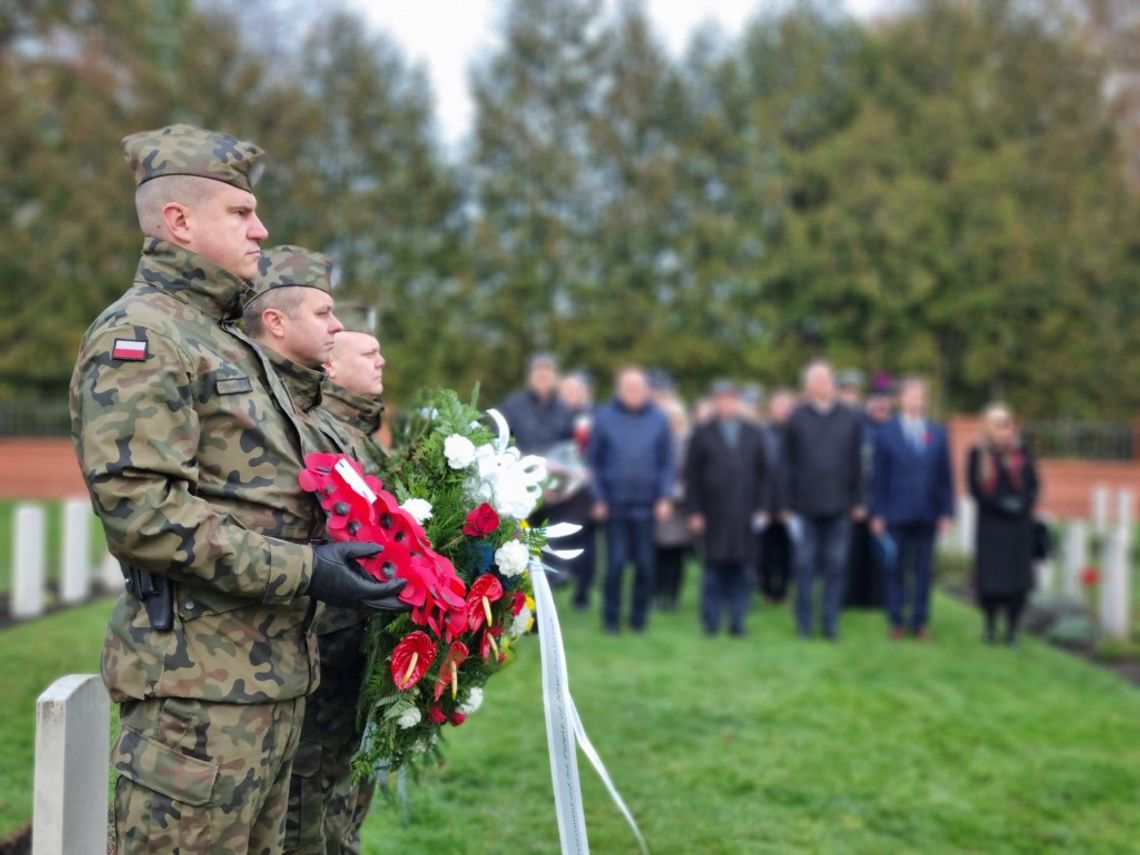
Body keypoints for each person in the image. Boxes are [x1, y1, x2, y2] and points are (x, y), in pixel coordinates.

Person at [70, 125, 404, 854]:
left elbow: (271, 493)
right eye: (240, 213)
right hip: (197, 698)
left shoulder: (225, 341)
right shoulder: (144, 336)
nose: (262, 229)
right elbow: (144, 514)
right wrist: (310, 569)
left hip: (267, 683)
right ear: (178, 221)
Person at [780, 360, 864, 640]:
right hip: (804, 507)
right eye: (814, 379)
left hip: (840, 506)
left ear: (833, 383)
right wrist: (785, 505)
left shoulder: (849, 418)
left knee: (836, 567)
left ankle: (830, 624)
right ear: (807, 385)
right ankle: (804, 625)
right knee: (804, 567)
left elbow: (856, 463)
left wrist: (858, 500)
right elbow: (786, 464)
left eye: (825, 379)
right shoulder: (797, 417)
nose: (821, 384)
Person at [588, 366, 674, 633]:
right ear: (619, 389)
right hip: (614, 505)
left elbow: (667, 462)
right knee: (614, 566)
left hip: (647, 506)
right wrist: (598, 498)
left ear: (646, 390)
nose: (634, 393)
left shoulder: (659, 419)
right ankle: (611, 619)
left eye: (638, 388)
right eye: (628, 388)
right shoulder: (604, 417)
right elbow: (593, 462)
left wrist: (664, 496)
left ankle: (638, 620)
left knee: (645, 567)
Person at [870, 377, 955, 640]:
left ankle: (919, 621)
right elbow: (878, 478)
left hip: (927, 513)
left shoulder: (938, 432)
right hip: (894, 513)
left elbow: (946, 476)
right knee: (894, 567)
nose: (916, 401)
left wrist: (947, 512)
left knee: (923, 570)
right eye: (911, 396)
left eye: (920, 396)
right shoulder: (886, 433)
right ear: (901, 400)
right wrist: (877, 513)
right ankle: (896, 619)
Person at [685, 381, 769, 635]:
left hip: (744, 512)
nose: (727, 404)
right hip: (713, 513)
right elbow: (692, 475)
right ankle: (711, 623)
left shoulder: (753, 432)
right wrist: (695, 511)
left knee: (742, 571)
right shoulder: (702, 433)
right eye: (722, 399)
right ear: (715, 402)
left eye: (731, 399)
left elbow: (764, 473)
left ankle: (737, 621)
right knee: (713, 571)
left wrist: (762, 508)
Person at [968, 404, 1040, 645]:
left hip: (1018, 528)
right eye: (999, 425)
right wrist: (1001, 504)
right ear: (988, 428)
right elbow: (976, 489)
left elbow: (1034, 484)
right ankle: (990, 626)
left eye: (1008, 424)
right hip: (992, 527)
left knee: (1017, 583)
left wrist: (1023, 502)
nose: (1005, 430)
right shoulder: (978, 454)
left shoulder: (1022, 453)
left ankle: (1012, 630)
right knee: (993, 582)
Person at [557, 371, 599, 609]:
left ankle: (583, 589)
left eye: (574, 391)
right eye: (566, 392)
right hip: (562, 490)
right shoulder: (556, 417)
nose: (570, 396)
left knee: (587, 540)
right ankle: (559, 577)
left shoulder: (596, 416)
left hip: (587, 490)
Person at [758, 389, 796, 605]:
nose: (783, 410)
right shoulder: (762, 432)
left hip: (789, 502)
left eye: (786, 406)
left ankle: (782, 591)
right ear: (771, 408)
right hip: (765, 500)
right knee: (764, 550)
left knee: (786, 550)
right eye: (779, 406)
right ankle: (765, 589)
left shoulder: (796, 433)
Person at [654, 399, 692, 610]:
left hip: (680, 507)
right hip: (659, 505)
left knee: (676, 555)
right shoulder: (656, 442)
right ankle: (658, 593)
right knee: (658, 553)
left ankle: (673, 595)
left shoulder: (688, 441)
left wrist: (676, 494)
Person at [498, 352, 574, 454]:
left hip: (553, 468)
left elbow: (570, 448)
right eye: (538, 370)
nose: (542, 375)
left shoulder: (564, 410)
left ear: (556, 378)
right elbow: (499, 442)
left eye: (547, 371)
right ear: (528, 376)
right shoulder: (511, 407)